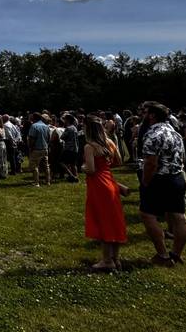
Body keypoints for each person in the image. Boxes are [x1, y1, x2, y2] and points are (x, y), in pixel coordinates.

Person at [139, 102, 186, 267]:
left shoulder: (152, 134)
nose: (142, 115)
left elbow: (151, 164)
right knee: (179, 216)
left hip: (159, 179)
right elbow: (183, 158)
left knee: (148, 214)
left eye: (145, 112)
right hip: (177, 177)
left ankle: (162, 254)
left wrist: (146, 182)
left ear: (152, 115)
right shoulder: (175, 133)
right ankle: (176, 254)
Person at [82, 117, 127, 271]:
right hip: (110, 181)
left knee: (103, 220)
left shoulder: (89, 147)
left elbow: (91, 169)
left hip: (98, 185)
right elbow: (119, 161)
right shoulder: (109, 143)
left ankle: (107, 260)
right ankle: (115, 258)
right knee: (114, 219)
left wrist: (83, 167)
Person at [26, 113, 52, 187]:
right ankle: (48, 182)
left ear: (34, 118)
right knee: (46, 166)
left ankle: (36, 183)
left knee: (34, 167)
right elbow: (48, 138)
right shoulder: (46, 126)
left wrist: (30, 147)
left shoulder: (34, 126)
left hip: (36, 149)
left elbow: (32, 138)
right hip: (45, 148)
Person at [60, 115, 80, 183]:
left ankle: (72, 176)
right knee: (73, 164)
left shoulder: (68, 128)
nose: (64, 121)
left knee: (61, 162)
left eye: (65, 119)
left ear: (68, 120)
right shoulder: (74, 128)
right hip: (75, 148)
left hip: (69, 148)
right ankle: (76, 177)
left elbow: (62, 137)